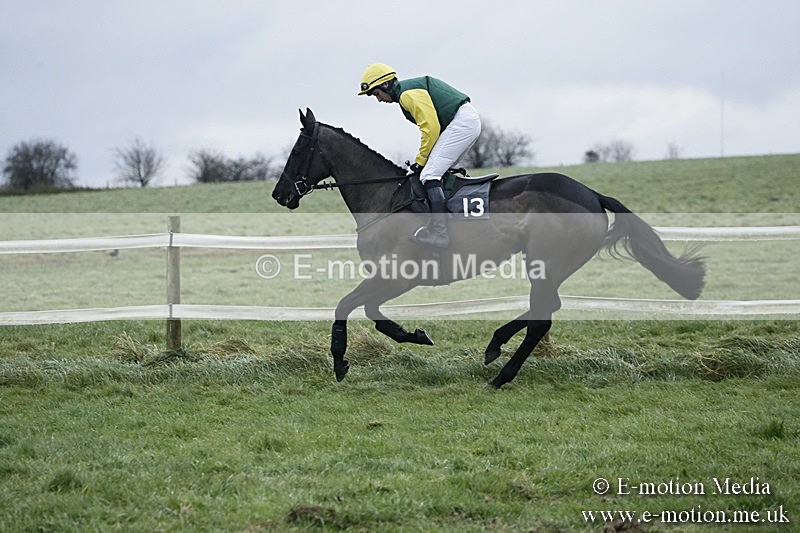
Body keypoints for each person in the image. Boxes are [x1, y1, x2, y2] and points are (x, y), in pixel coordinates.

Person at [358, 63, 481, 248]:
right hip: (463, 121)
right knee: (436, 172)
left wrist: (419, 161)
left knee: (429, 174)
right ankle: (452, 223)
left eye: (377, 94)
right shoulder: (406, 94)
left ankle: (440, 233)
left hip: (461, 123)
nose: (379, 99)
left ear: (385, 85)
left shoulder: (407, 95)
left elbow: (431, 129)